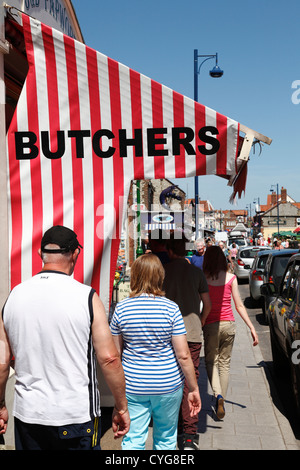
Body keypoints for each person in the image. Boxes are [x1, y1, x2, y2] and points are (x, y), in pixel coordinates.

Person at [0, 225, 130, 450]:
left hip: (29, 415)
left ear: (41, 254)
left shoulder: (15, 295)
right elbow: (109, 358)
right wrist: (121, 407)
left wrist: (1, 403)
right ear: (75, 254)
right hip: (75, 415)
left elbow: (2, 362)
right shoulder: (86, 297)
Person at [110, 254, 201, 450]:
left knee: (133, 439)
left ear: (134, 276)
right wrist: (193, 388)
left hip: (133, 384)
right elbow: (183, 355)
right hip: (168, 384)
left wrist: (117, 396)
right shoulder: (171, 309)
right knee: (166, 439)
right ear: (160, 276)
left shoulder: (122, 309)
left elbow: (115, 355)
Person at [163, 235, 211, 450]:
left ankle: (170, 429)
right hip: (191, 333)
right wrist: (199, 321)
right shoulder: (196, 272)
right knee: (190, 383)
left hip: (165, 335)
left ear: (170, 250)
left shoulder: (162, 272)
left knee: (167, 380)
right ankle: (190, 435)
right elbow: (207, 304)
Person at [201, 245, 259, 420]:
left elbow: (199, 304)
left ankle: (217, 395)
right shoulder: (232, 278)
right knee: (225, 364)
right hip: (229, 325)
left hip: (211, 325)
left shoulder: (203, 279)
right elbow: (239, 305)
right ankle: (222, 401)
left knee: (211, 362)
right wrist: (251, 327)